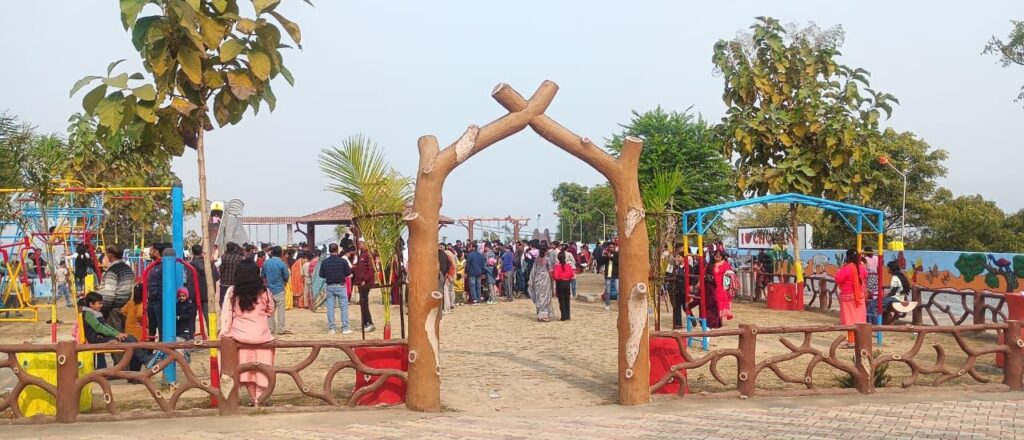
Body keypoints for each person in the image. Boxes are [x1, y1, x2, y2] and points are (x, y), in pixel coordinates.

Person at [218, 259, 275, 406]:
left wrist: (224, 332)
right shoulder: (265, 291)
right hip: (262, 338)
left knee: (247, 372)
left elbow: (227, 313)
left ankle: (253, 399)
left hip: (240, 338)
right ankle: (259, 400)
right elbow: (270, 310)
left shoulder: (233, 292)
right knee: (262, 371)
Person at [81, 292, 150, 371]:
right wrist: (116, 335)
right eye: (99, 303)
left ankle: (136, 368)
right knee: (128, 340)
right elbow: (99, 327)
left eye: (101, 303)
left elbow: (106, 325)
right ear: (91, 304)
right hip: (96, 339)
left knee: (131, 338)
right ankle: (145, 360)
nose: (101, 305)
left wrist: (118, 333)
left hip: (102, 337)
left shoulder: (95, 313)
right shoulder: (88, 314)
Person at [97, 245, 135, 333]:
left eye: (107, 254)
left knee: (114, 335)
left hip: (113, 309)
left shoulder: (112, 270)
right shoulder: (129, 269)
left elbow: (109, 294)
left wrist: (104, 311)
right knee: (123, 334)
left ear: (111, 255)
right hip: (125, 307)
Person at [835, 248, 868, 347]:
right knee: (859, 320)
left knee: (849, 320)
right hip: (860, 297)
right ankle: (859, 341)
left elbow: (838, 279)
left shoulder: (847, 268)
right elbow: (865, 275)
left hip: (848, 298)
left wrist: (840, 269)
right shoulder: (861, 267)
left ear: (848, 257)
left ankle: (851, 341)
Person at [320, 243, 353, 334]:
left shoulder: (325, 262)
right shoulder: (343, 261)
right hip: (341, 286)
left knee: (330, 308)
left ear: (329, 250)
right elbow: (348, 273)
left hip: (330, 286)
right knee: (344, 307)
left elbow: (321, 275)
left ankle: (332, 328)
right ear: (337, 250)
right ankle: (345, 328)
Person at [187, 244, 219, 332]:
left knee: (191, 318)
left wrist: (190, 296)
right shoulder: (210, 264)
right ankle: (212, 335)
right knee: (209, 317)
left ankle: (191, 336)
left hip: (194, 295)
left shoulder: (190, 265)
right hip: (208, 294)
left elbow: (190, 281)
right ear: (202, 252)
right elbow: (217, 277)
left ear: (193, 253)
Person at [261, 246, 291, 335]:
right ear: (281, 254)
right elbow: (286, 276)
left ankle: (271, 328)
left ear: (272, 253)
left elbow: (262, 275)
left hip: (269, 289)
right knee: (281, 310)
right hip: (279, 289)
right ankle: (281, 328)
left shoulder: (266, 263)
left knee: (270, 309)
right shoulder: (282, 264)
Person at [352, 240, 376, 332]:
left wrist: (365, 280)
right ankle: (365, 323)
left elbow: (371, 269)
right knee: (362, 303)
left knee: (364, 302)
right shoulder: (360, 254)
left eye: (360, 243)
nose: (358, 245)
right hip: (360, 282)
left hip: (365, 283)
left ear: (365, 244)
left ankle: (369, 323)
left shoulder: (368, 254)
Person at [528, 241, 554, 322]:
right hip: (545, 279)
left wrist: (531, 281)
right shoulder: (547, 259)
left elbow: (533, 271)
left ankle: (540, 315)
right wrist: (552, 281)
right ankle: (544, 315)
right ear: (546, 251)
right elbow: (550, 270)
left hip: (537, 279)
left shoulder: (536, 259)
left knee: (539, 296)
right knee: (545, 296)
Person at [711, 251, 735, 322]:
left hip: (722, 286)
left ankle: (719, 318)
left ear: (722, 256)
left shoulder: (726, 264)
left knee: (720, 301)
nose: (717, 256)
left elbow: (728, 276)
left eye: (719, 255)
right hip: (712, 286)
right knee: (713, 301)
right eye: (716, 254)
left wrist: (726, 287)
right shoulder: (711, 264)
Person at [552, 250, 574, 321]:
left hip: (560, 283)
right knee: (567, 299)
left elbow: (555, 276)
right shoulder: (568, 266)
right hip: (567, 283)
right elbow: (572, 275)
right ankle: (568, 316)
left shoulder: (557, 266)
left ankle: (563, 316)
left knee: (561, 300)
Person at [600, 242, 620, 311]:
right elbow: (602, 262)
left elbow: (618, 263)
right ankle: (607, 304)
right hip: (608, 275)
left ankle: (619, 305)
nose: (611, 248)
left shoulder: (617, 254)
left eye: (612, 247)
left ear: (614, 247)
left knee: (618, 291)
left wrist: (611, 258)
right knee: (608, 291)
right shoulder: (606, 254)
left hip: (616, 275)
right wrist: (605, 257)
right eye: (610, 247)